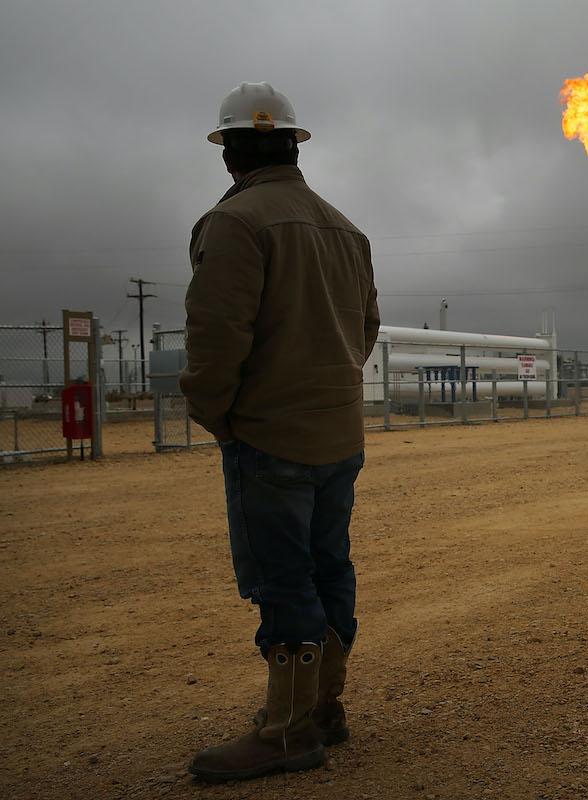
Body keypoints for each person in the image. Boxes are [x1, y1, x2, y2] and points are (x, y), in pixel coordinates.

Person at [181, 82, 380, 782]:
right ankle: (325, 709)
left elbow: (214, 339)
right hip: (338, 433)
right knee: (330, 567)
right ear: (295, 145)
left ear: (229, 150)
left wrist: (224, 416)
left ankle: (289, 731)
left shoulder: (235, 223)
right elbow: (365, 331)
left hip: (271, 436)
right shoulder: (344, 228)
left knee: (284, 578)